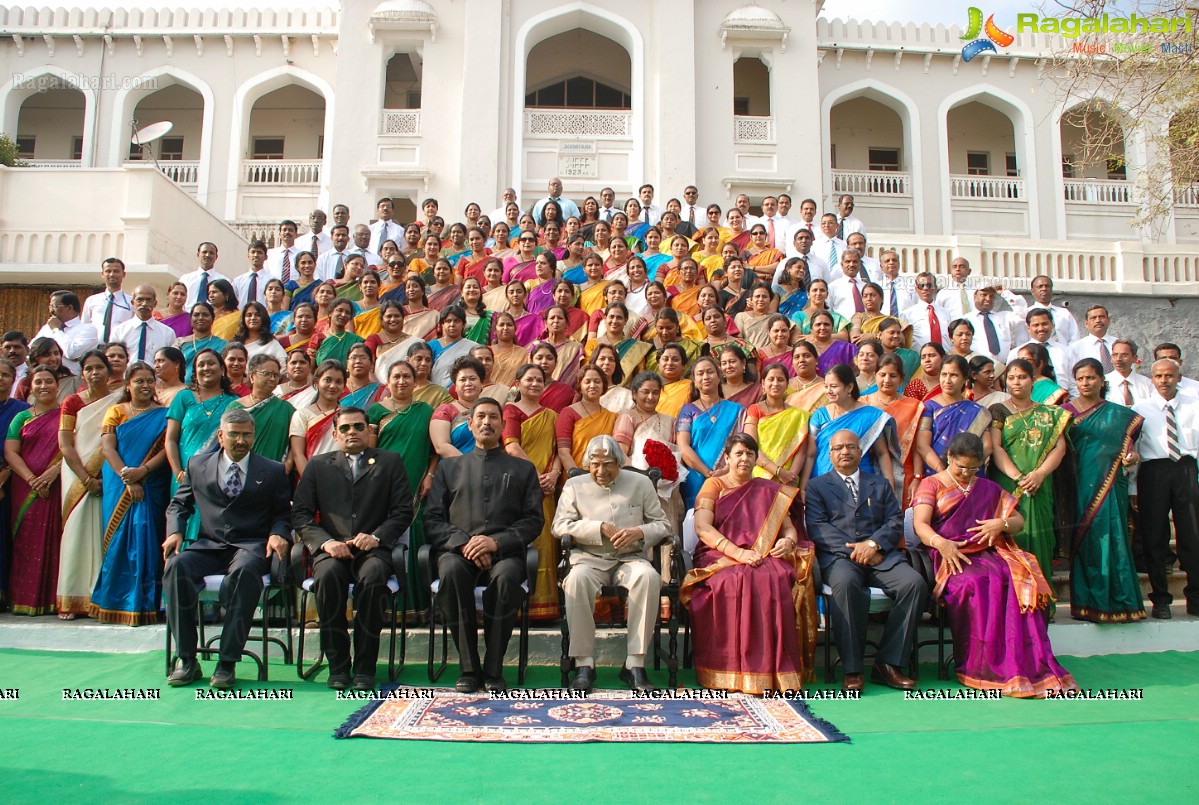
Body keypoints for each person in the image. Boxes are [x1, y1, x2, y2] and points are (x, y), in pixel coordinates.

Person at [912, 432, 1077, 697]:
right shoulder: (932, 484)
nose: (966, 473)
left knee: (1015, 579)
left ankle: (1022, 665)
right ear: (950, 457)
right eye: (960, 467)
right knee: (976, 583)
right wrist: (941, 543)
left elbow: (1018, 522)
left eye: (972, 467)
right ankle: (981, 667)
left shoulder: (988, 488)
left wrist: (1001, 524)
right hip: (950, 553)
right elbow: (920, 524)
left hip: (990, 552)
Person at [161, 407, 291, 688]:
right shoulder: (197, 465)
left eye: (246, 435)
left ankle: (227, 662)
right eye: (234, 434)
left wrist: (278, 534)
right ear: (221, 436)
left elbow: (283, 513)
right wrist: (175, 533)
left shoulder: (273, 470)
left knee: (244, 574)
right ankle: (187, 659)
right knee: (176, 567)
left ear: (253, 437)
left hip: (250, 547)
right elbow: (179, 505)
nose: (241, 440)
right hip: (209, 545)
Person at [425, 398, 545, 692]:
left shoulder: (522, 469)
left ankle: (493, 668)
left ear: (504, 426)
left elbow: (533, 520)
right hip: (458, 551)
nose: (486, 422)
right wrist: (465, 543)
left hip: (505, 553)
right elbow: (431, 519)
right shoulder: (449, 468)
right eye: (480, 417)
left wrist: (495, 543)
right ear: (470, 424)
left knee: (505, 579)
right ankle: (468, 668)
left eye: (493, 417)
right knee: (451, 574)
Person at [681, 433, 816, 693]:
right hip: (718, 554)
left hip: (763, 553)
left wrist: (788, 542)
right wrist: (738, 554)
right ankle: (727, 669)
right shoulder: (714, 486)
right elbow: (703, 528)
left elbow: (789, 529)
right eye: (739, 453)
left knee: (774, 576)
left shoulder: (768, 489)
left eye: (750, 454)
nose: (745, 458)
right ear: (728, 458)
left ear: (756, 459)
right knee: (731, 581)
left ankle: (771, 672)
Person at [292, 406, 413, 690]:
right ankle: (338, 666)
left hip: (373, 551)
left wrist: (378, 537)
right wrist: (326, 542)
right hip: (332, 550)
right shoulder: (318, 465)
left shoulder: (390, 461)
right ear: (335, 434)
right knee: (328, 578)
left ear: (369, 431)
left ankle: (365, 667)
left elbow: (402, 511)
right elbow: (300, 514)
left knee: (373, 580)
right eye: (345, 428)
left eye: (358, 427)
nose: (352, 432)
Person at [805, 429, 926, 692]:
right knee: (846, 586)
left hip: (880, 555)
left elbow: (895, 521)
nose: (845, 452)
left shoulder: (880, 484)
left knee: (914, 584)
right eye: (838, 448)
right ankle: (852, 669)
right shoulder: (817, 487)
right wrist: (856, 551)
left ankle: (889, 664)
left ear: (861, 452)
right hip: (840, 559)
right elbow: (817, 527)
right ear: (830, 454)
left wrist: (873, 544)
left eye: (850, 447)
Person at [554, 435, 672, 692]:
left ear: (619, 462)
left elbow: (662, 525)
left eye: (608, 464)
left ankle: (634, 663)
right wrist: (599, 528)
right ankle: (584, 664)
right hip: (588, 558)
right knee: (575, 580)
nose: (600, 471)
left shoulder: (640, 483)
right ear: (587, 463)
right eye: (594, 464)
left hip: (629, 558)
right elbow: (559, 526)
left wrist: (639, 533)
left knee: (649, 577)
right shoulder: (574, 485)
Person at [1064, 359, 1145, 623]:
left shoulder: (1119, 415)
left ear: (1102, 380)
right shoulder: (1063, 413)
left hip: (1110, 487)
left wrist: (1133, 458)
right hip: (1076, 486)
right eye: (1080, 379)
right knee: (1086, 541)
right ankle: (1088, 604)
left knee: (1113, 538)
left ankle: (1121, 603)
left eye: (1091, 378)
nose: (1085, 383)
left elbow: (1130, 450)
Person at [91, 362, 170, 624]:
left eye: (150, 380)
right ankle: (114, 602)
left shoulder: (164, 414)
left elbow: (165, 451)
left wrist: (143, 471)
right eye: (139, 381)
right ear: (128, 385)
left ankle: (145, 604)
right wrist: (128, 477)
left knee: (147, 538)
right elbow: (108, 449)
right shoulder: (116, 411)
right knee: (118, 542)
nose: (145, 385)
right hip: (118, 481)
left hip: (151, 484)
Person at [989, 359, 1071, 596]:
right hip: (1007, 484)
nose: (1016, 382)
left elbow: (1059, 448)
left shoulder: (1051, 414)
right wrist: (1018, 477)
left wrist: (1039, 474)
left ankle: (1043, 600)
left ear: (1033, 381)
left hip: (1040, 485)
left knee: (1040, 539)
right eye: (1012, 377)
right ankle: (1015, 600)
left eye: (1022, 377)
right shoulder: (999, 410)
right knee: (1013, 538)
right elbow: (996, 447)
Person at [367, 359, 437, 609]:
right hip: (384, 486)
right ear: (388, 381)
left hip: (417, 484)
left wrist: (430, 475)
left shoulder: (425, 411)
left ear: (414, 380)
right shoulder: (376, 411)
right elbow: (369, 452)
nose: (401, 381)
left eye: (406, 376)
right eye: (396, 376)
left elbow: (434, 451)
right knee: (386, 538)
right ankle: (387, 607)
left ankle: (416, 605)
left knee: (416, 540)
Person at [1133, 358, 1199, 619]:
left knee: (1193, 536)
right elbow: (1132, 450)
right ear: (1152, 379)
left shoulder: (1195, 405)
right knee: (1154, 536)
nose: (1164, 381)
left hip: (1186, 469)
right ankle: (1160, 599)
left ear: (1178, 377)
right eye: (1159, 376)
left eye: (1169, 376)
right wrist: (1134, 489)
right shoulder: (1141, 409)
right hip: (1154, 471)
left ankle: (1195, 597)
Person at [55, 350, 119, 618]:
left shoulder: (119, 398)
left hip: (110, 472)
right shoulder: (72, 402)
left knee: (105, 532)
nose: (94, 373)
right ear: (82, 373)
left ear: (108, 370)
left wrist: (104, 475)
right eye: (89, 368)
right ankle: (71, 598)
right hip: (76, 473)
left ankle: (98, 597)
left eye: (99, 368)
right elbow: (65, 444)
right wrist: (85, 477)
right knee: (77, 531)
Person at [503, 364, 562, 620]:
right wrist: (536, 477)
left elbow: (560, 450)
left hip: (547, 487)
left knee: (546, 542)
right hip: (519, 485)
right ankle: (516, 607)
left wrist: (555, 475)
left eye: (540, 380)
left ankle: (544, 607)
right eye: (529, 379)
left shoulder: (551, 414)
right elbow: (512, 447)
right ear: (517, 383)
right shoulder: (510, 411)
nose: (535, 384)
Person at [3, 367, 63, 615]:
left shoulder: (69, 414)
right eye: (38, 382)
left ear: (57, 386)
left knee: (54, 540)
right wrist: (31, 479)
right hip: (24, 487)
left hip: (56, 485)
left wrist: (53, 472)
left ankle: (51, 599)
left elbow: (76, 449)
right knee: (24, 541)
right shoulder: (21, 417)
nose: (44, 386)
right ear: (30, 386)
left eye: (49, 381)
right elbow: (10, 452)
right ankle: (22, 599)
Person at [165, 348, 238, 543]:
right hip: (182, 475)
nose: (206, 368)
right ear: (194, 371)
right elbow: (171, 439)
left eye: (211, 363)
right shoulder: (184, 397)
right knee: (180, 522)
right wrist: (178, 472)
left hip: (216, 476)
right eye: (201, 364)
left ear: (222, 369)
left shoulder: (234, 402)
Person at [801, 364, 895, 497]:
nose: (829, 391)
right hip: (823, 484)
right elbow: (810, 454)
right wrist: (804, 487)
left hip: (861, 485)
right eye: (826, 386)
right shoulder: (819, 415)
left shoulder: (870, 415)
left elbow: (882, 453)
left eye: (834, 386)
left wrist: (889, 485)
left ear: (850, 387)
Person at [677, 356, 746, 510]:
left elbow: (741, 445)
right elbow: (683, 447)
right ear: (694, 381)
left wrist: (726, 470)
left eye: (710, 372)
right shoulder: (688, 410)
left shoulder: (737, 410)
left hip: (730, 475)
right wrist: (708, 473)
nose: (706, 377)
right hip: (696, 477)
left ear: (719, 376)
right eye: (700, 373)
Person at [917, 355, 994, 476]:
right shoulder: (928, 407)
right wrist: (946, 473)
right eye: (944, 374)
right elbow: (922, 445)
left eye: (954, 375)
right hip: (938, 475)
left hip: (970, 477)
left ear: (965, 379)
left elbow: (987, 446)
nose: (947, 380)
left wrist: (966, 469)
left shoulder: (978, 412)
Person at [745, 363, 809, 485]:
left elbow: (801, 452)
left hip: (789, 479)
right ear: (763, 384)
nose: (775, 383)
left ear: (787, 385)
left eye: (780, 380)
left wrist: (791, 477)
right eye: (771, 379)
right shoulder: (754, 410)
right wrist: (778, 472)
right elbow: (751, 446)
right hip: (759, 476)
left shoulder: (799, 415)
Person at [0, 359, 30, 607]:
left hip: (8, 482)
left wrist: (6, 473)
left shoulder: (21, 410)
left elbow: (23, 449)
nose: (1, 379)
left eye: (5, 375)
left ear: (13, 379)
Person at [228, 354, 294, 463]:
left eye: (276, 375)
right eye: (267, 374)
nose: (272, 379)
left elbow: (295, 443)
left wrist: (288, 464)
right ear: (252, 377)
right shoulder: (235, 407)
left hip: (273, 472)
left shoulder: (286, 409)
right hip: (239, 469)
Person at [289, 359, 346, 477]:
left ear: (344, 386)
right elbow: (298, 454)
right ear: (316, 383)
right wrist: (312, 482)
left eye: (339, 381)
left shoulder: (347, 415)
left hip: (342, 478)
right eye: (327, 380)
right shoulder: (302, 415)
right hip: (309, 479)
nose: (333, 386)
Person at [34, 290, 99, 376]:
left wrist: (56, 330)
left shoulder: (88, 329)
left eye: (55, 306)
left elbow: (72, 353)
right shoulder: (47, 328)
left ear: (69, 308)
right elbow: (33, 350)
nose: (51, 311)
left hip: (71, 380)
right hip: (45, 377)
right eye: (50, 306)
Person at [112, 285, 176, 364]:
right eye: (140, 299)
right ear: (132, 303)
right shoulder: (119, 331)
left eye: (148, 300)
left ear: (155, 303)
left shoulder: (167, 333)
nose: (144, 304)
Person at [81, 258, 134, 341]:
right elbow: (84, 327)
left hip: (120, 350)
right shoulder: (91, 301)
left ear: (123, 274)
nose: (112, 274)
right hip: (96, 350)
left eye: (116, 271)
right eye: (108, 271)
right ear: (102, 274)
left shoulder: (131, 302)